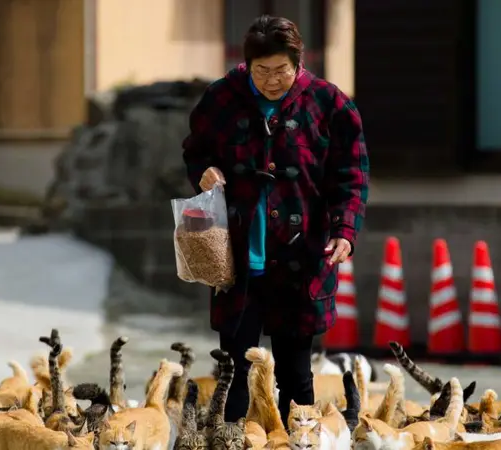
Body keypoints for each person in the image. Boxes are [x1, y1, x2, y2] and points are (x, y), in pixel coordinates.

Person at [181, 15, 369, 426]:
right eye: (260, 70)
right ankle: (233, 438)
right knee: (233, 373)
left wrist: (344, 232)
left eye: (280, 70)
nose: (270, 80)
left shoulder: (329, 104)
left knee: (296, 375)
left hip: (301, 258)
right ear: (247, 65)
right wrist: (203, 172)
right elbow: (195, 150)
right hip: (236, 259)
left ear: (298, 63)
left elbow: (351, 177)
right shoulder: (221, 98)